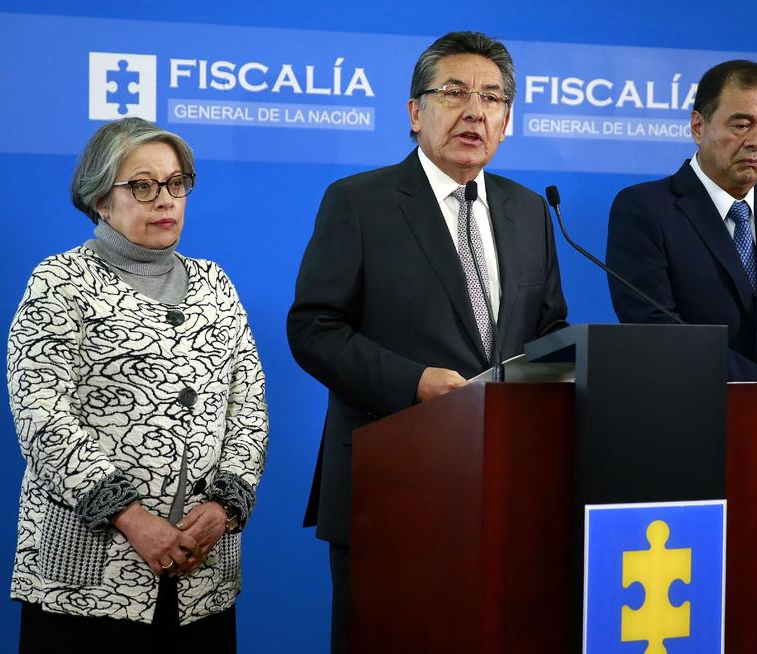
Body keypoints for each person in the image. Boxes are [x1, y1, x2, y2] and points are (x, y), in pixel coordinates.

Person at [287, 31, 567, 653]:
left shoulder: (530, 211)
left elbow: (549, 331)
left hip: (506, 489)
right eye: (455, 93)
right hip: (391, 484)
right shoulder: (359, 202)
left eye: (491, 98)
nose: (475, 111)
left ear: (507, 121)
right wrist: (412, 382)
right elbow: (313, 329)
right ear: (415, 112)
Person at [605, 60, 757, 653]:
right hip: (686, 459)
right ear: (698, 125)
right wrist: (752, 399)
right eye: (741, 123)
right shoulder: (645, 209)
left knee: (754, 632)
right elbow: (653, 324)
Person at [6, 117, 268, 652]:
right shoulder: (60, 281)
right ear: (102, 200)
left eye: (176, 183)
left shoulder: (216, 284)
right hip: (91, 576)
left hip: (201, 571)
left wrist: (224, 506)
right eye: (143, 186)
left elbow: (249, 408)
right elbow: (41, 414)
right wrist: (130, 516)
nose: (165, 199)